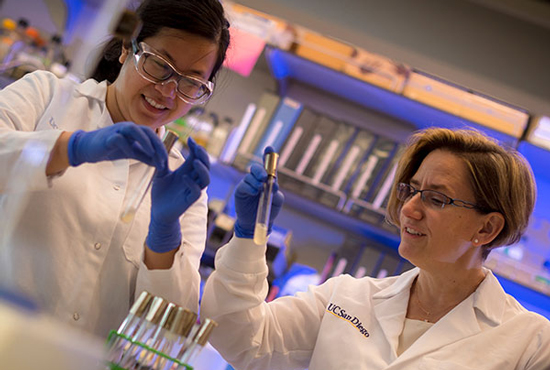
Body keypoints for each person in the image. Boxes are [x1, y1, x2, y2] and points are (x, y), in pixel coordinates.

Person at [201, 128, 550, 370]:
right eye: (411, 190)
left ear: (486, 228)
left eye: (436, 199)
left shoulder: (530, 343)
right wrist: (249, 234)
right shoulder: (348, 298)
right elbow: (242, 339)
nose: (409, 209)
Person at [0, 0, 230, 337]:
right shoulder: (47, 95)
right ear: (127, 47)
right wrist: (74, 148)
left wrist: (163, 235)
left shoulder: (183, 185)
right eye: (159, 64)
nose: (167, 92)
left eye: (191, 83)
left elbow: (168, 328)